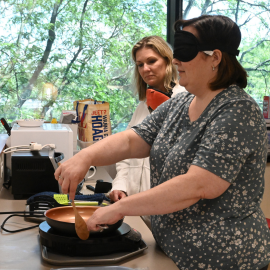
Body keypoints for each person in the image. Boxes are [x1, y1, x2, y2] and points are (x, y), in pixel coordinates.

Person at [55, 15, 270, 270]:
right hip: (171, 251)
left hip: (223, 260)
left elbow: (198, 185)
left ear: (215, 57)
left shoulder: (237, 110)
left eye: (186, 51)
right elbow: (132, 140)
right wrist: (85, 157)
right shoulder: (180, 103)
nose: (176, 60)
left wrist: (120, 208)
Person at [109, 36, 185, 227]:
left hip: (169, 211)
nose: (145, 69)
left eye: (151, 61)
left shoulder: (187, 101)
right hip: (136, 208)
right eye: (140, 64)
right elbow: (125, 154)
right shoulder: (142, 107)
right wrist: (120, 186)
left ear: (168, 61)